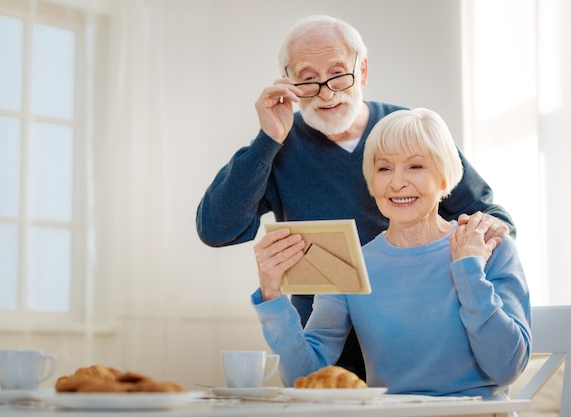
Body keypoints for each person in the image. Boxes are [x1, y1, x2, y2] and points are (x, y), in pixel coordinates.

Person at [196, 15, 514, 379]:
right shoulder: (280, 147)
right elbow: (216, 228)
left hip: (417, 342)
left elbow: (491, 217)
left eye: (337, 73)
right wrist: (268, 139)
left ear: (361, 71)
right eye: (308, 79)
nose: (327, 92)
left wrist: (483, 251)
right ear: (290, 82)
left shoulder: (408, 131)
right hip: (323, 348)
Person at [251, 108, 531, 399]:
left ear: (445, 179)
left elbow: (507, 368)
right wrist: (272, 296)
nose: (397, 182)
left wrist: (469, 269)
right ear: (371, 181)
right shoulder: (352, 264)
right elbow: (303, 376)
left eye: (415, 166)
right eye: (384, 168)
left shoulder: (491, 247)